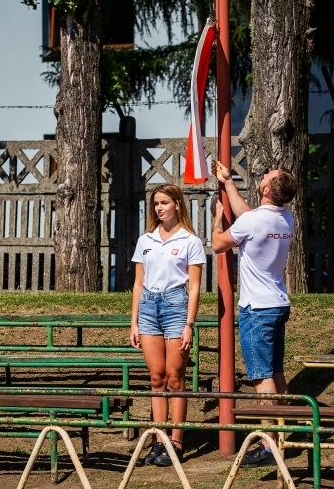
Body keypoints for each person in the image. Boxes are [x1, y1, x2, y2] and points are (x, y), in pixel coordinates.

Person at [210, 159, 297, 468]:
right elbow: (250, 218)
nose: (263, 176)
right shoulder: (286, 218)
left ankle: (269, 443)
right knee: (276, 372)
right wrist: (229, 182)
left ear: (266, 189)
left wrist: (218, 220)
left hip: (256, 309)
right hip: (277, 303)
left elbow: (219, 245)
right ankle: (283, 436)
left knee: (261, 377)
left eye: (266, 175)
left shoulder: (254, 221)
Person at [130, 184, 205, 467]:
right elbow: (138, 283)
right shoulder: (145, 239)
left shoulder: (190, 241)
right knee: (156, 378)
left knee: (175, 377)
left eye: (164, 203)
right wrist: (134, 322)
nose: (159, 208)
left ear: (177, 204)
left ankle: (177, 442)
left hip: (176, 307)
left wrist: (189, 324)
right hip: (149, 307)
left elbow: (195, 287)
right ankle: (158, 440)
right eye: (156, 204)